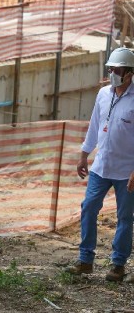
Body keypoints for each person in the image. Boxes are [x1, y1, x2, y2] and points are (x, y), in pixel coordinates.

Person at [65, 47, 134, 282]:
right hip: (101, 167)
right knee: (88, 208)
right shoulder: (104, 93)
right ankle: (85, 260)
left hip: (127, 172)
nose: (112, 73)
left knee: (125, 217)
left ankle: (118, 265)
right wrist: (84, 154)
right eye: (110, 69)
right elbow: (95, 125)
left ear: (129, 73)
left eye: (117, 69)